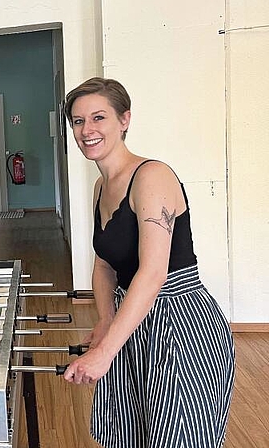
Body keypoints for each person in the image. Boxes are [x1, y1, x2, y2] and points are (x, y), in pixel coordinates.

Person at [62, 78, 235, 447]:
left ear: (124, 120)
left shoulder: (152, 176)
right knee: (132, 434)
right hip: (134, 319)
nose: (87, 130)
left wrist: (104, 352)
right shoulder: (100, 189)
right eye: (78, 122)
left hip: (181, 325)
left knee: (178, 436)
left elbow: (154, 273)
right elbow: (105, 265)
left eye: (98, 118)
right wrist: (107, 322)